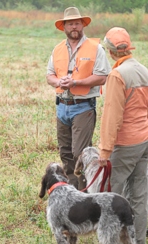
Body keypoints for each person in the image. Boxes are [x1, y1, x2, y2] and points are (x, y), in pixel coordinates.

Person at [98, 27, 148, 244]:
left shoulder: (117, 75)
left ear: (111, 52)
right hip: (144, 140)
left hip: (124, 145)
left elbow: (112, 116)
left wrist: (104, 150)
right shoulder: (145, 71)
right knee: (139, 197)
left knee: (111, 198)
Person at [46, 7, 111, 190]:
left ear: (83, 25)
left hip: (83, 107)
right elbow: (49, 75)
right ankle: (72, 190)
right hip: (62, 106)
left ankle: (86, 191)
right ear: (64, 27)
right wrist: (59, 81)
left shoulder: (95, 48)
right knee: (65, 152)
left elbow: (102, 76)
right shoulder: (58, 49)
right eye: (70, 23)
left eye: (77, 23)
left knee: (80, 153)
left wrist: (76, 83)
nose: (74, 26)